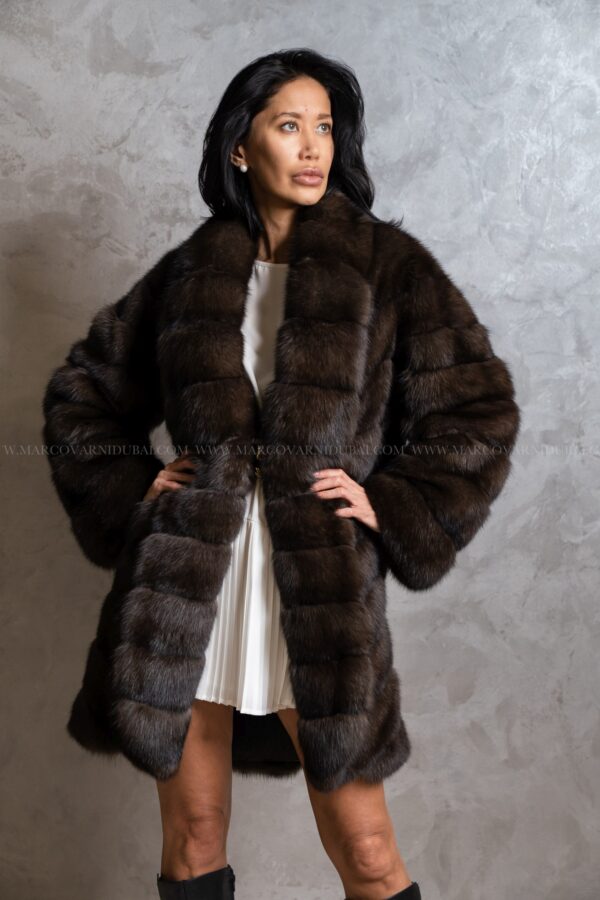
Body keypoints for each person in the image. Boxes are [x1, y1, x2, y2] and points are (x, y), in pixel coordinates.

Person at [42, 48, 520, 900]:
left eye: (325, 127)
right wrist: (136, 486)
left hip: (319, 590)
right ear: (241, 146)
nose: (312, 147)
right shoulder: (191, 274)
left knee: (367, 851)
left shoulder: (387, 267)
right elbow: (84, 395)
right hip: (194, 588)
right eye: (289, 125)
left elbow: (477, 411)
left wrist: (391, 503)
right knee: (193, 836)